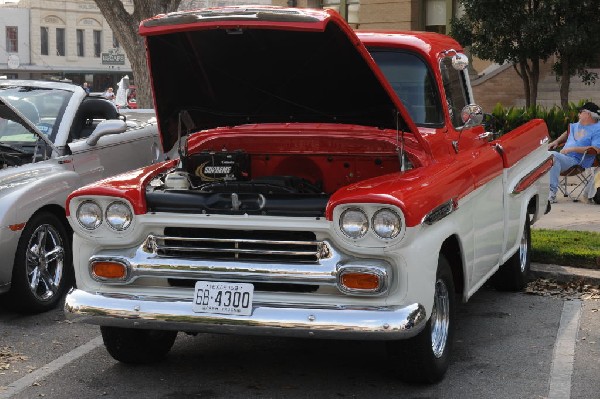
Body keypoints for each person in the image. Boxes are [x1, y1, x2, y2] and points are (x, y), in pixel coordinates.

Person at [547, 102, 600, 203]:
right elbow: (568, 132)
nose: (578, 114)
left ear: (588, 114)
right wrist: (556, 141)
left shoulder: (597, 129)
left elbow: (596, 149)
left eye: (580, 112)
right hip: (563, 158)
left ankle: (551, 194)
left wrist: (572, 149)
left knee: (552, 156)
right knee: (544, 156)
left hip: (577, 161)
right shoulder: (577, 125)